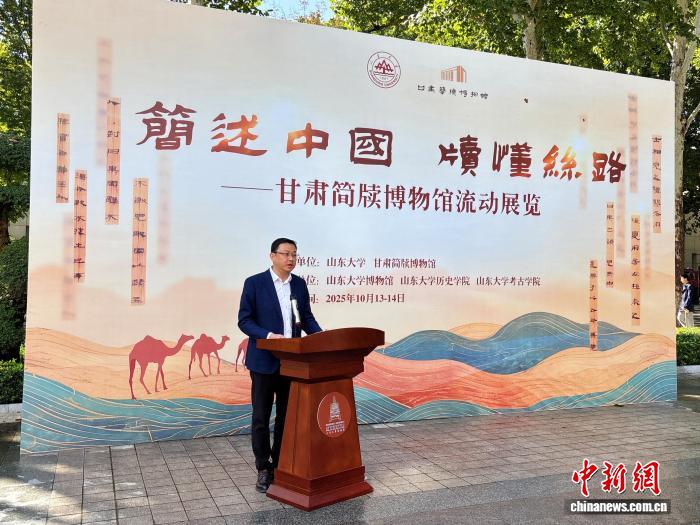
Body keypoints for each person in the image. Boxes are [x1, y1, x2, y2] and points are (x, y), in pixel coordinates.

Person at [237, 238, 322, 493]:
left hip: (291, 363)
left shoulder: (299, 284)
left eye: (294, 254)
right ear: (272, 256)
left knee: (287, 417)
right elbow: (244, 320)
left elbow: (306, 318)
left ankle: (281, 463)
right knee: (261, 418)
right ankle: (264, 468)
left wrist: (322, 337)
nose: (291, 259)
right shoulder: (254, 283)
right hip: (263, 361)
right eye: (285, 254)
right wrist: (268, 336)